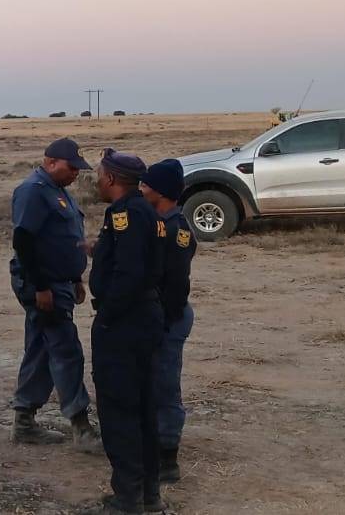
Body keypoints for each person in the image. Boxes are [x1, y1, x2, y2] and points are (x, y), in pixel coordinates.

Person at [86, 149, 168, 515]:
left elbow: (129, 274)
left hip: (125, 323)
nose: (97, 181)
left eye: (99, 175)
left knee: (120, 411)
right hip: (143, 318)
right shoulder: (147, 211)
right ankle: (147, 495)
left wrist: (107, 317)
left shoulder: (126, 214)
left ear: (111, 179)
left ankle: (128, 500)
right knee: (143, 408)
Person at [8, 137, 101, 452]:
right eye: (71, 167)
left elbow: (64, 239)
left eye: (78, 168)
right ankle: (81, 425)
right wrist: (41, 287)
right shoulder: (33, 191)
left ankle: (24, 420)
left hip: (59, 283)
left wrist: (75, 278)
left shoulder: (58, 192)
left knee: (41, 349)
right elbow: (23, 242)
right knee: (66, 349)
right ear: (50, 162)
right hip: (44, 284)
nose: (76, 173)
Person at [139, 159, 195, 484]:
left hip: (168, 319)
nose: (141, 190)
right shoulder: (162, 223)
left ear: (160, 192)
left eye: (145, 185)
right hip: (161, 316)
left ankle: (167, 457)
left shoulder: (174, 230)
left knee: (164, 385)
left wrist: (161, 321)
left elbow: (174, 286)